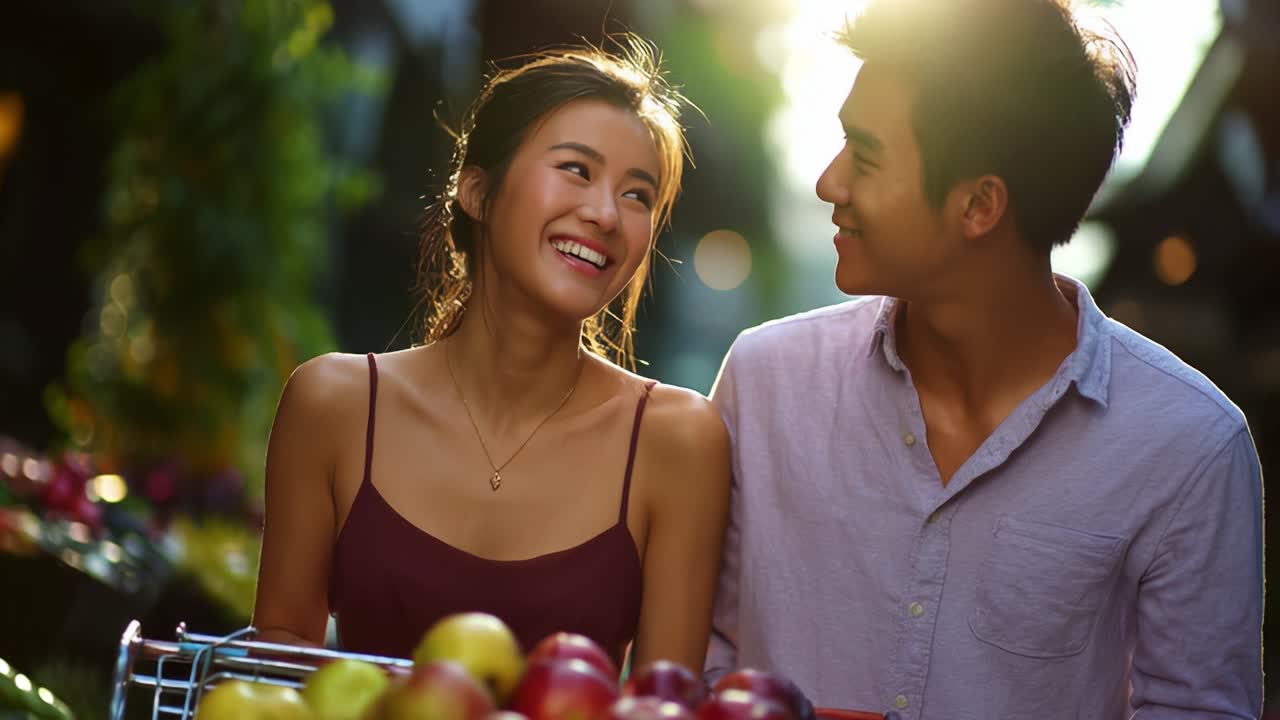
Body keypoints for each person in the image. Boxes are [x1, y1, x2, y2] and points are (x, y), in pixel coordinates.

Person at [704, 0, 1264, 717]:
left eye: (865, 156)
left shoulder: (1190, 446)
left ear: (979, 206)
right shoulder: (766, 382)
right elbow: (696, 666)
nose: (829, 183)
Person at [252, 36, 731, 675]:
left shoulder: (677, 442)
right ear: (477, 192)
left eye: (637, 195)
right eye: (577, 169)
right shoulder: (333, 405)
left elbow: (664, 703)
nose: (606, 214)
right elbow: (275, 672)